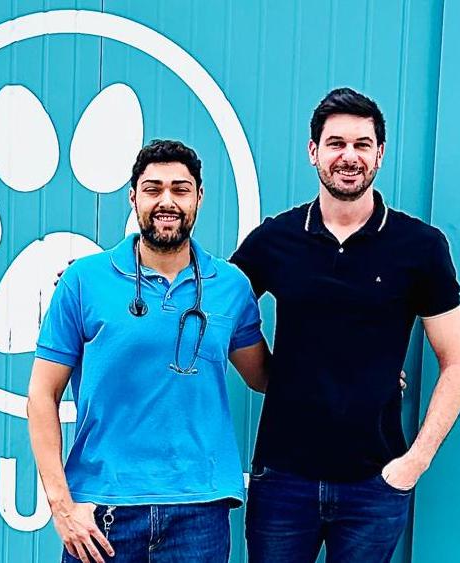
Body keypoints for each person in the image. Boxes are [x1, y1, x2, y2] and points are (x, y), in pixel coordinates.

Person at [231, 88, 460, 562]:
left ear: (379, 154)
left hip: (375, 483)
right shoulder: (276, 239)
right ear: (313, 152)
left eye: (362, 144)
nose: (349, 156)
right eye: (336, 143)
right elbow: (217, 307)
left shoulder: (419, 246)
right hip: (283, 480)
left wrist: (415, 462)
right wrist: (268, 375)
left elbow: (458, 362)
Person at [27, 139, 268, 563]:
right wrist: (61, 506)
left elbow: (265, 377)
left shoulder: (231, 286)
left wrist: (354, 361)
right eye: (153, 189)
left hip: (199, 513)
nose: (166, 201)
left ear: (199, 197)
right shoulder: (83, 280)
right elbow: (41, 395)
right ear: (133, 197)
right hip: (103, 511)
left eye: (180, 189)